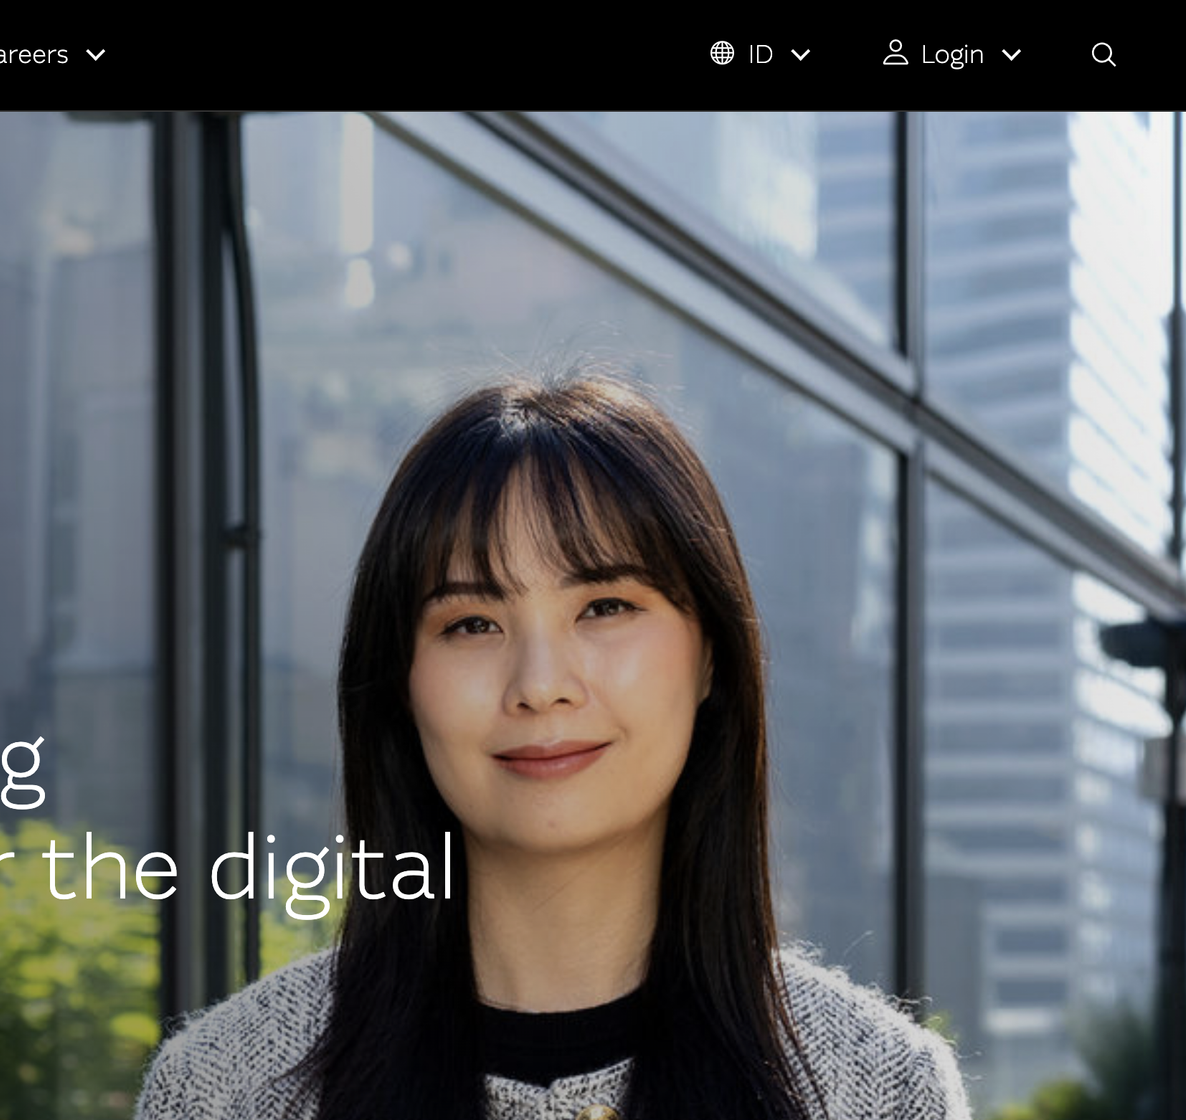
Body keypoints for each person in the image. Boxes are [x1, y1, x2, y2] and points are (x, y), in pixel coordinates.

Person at [135, 370, 968, 1120]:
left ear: (711, 651)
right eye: (472, 622)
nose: (541, 683)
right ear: (400, 683)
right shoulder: (222, 1090)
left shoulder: (881, 1088)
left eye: (605, 606)